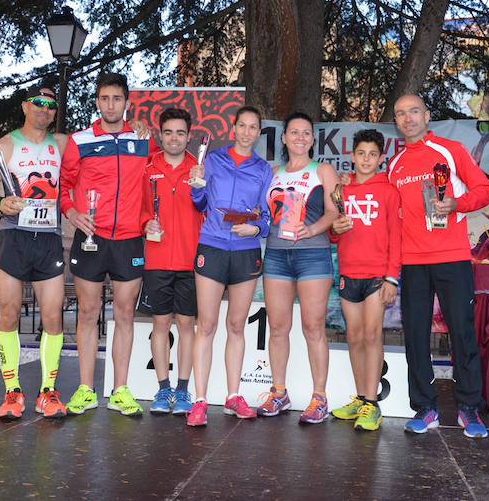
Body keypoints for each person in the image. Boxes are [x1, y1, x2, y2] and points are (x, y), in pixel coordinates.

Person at [388, 94, 489, 438]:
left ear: (427, 115)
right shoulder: (395, 164)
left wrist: (455, 203)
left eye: (414, 111)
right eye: (401, 114)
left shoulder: (450, 151)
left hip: (452, 256)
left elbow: (484, 190)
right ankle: (425, 407)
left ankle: (469, 408)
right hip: (413, 262)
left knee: (462, 333)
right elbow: (392, 217)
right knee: (416, 336)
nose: (408, 118)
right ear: (397, 121)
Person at [60, 72, 159, 417]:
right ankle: (86, 389)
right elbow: (63, 186)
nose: (111, 105)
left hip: (129, 239)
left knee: (125, 315)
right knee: (87, 313)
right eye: (105, 99)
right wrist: (72, 213)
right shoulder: (80, 140)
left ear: (127, 103)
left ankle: (120, 390)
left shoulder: (143, 140)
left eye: (117, 99)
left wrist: (149, 220)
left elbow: (155, 180)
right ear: (98, 102)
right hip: (91, 237)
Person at [0, 85, 69, 420]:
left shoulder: (61, 143)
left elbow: (96, 140)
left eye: (51, 104)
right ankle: (12, 390)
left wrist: (136, 128)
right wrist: (1, 202)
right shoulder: (4, 145)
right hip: (13, 236)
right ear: (25, 107)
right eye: (39, 103)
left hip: (48, 238)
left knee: (53, 318)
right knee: (9, 313)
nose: (45, 109)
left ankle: (48, 392)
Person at [185, 105, 272, 427]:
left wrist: (257, 230)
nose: (247, 132)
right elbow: (200, 203)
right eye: (243, 126)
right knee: (206, 326)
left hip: (247, 250)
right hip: (213, 245)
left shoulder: (264, 170)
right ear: (233, 128)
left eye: (253, 127)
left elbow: (267, 216)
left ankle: (234, 396)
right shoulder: (213, 160)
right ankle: (200, 400)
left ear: (258, 132)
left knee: (237, 326)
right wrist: (196, 187)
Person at [257, 112, 340, 424]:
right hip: (277, 257)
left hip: (313, 258)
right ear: (284, 137)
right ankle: (279, 391)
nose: (301, 138)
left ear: (312, 139)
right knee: (278, 328)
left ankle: (319, 398)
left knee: (313, 328)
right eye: (294, 132)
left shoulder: (323, 170)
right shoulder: (273, 173)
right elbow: (263, 213)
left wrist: (313, 228)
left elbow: (335, 211)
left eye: (306, 133)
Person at [328, 129, 401, 431]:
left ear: (381, 158)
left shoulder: (388, 191)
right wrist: (336, 229)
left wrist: (392, 278)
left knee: (372, 336)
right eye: (361, 153)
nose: (367, 159)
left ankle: (372, 403)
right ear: (352, 156)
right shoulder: (342, 190)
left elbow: (396, 238)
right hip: (348, 273)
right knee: (355, 338)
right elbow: (333, 234)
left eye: (373, 154)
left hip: (376, 276)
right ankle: (361, 398)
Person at [140, 107, 203, 415]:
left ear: (188, 136)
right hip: (157, 258)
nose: (174, 138)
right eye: (168, 132)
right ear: (160, 135)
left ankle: (183, 390)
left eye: (180, 132)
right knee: (161, 323)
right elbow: (139, 209)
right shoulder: (148, 168)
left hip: (191, 261)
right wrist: (144, 225)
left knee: (187, 324)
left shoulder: (199, 169)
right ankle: (163, 390)